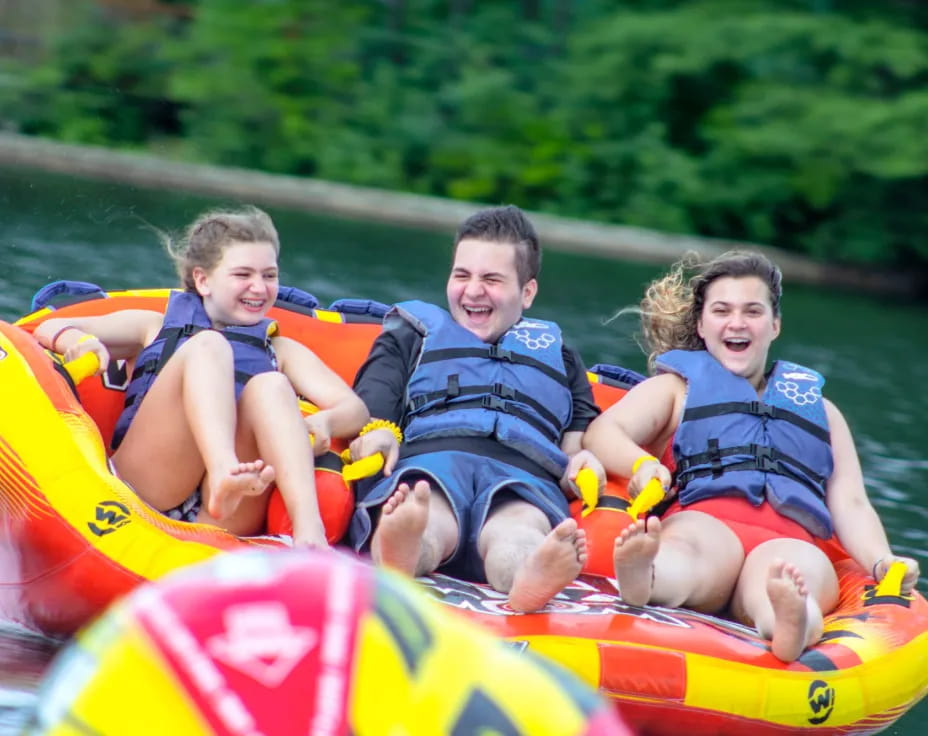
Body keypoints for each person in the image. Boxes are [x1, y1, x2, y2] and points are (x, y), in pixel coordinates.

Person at [583, 250, 920, 661]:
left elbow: (850, 502)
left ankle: (790, 621)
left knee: (792, 573)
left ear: (774, 325)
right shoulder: (674, 391)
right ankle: (647, 576)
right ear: (702, 325)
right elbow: (604, 431)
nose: (737, 323)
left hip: (790, 538)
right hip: (706, 521)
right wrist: (643, 464)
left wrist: (881, 560)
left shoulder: (824, 413)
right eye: (722, 310)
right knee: (689, 548)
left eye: (753, 311)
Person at [33, 206, 369, 547]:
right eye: (243, 275)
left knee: (272, 385)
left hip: (229, 509)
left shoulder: (280, 349)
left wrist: (325, 422)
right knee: (208, 345)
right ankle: (223, 469)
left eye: (269, 275)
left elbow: (353, 410)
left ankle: (309, 532)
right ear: (202, 280)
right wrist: (75, 341)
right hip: (151, 484)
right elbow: (50, 325)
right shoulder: (154, 325)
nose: (259, 287)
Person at [347, 205, 603, 612]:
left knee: (518, 533)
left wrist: (583, 461)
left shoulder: (561, 356)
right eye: (462, 275)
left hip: (524, 477)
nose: (472, 291)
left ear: (528, 292)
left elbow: (578, 437)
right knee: (425, 515)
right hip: (433, 463)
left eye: (492, 279)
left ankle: (528, 576)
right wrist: (375, 433)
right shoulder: (411, 337)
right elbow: (374, 399)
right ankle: (404, 548)